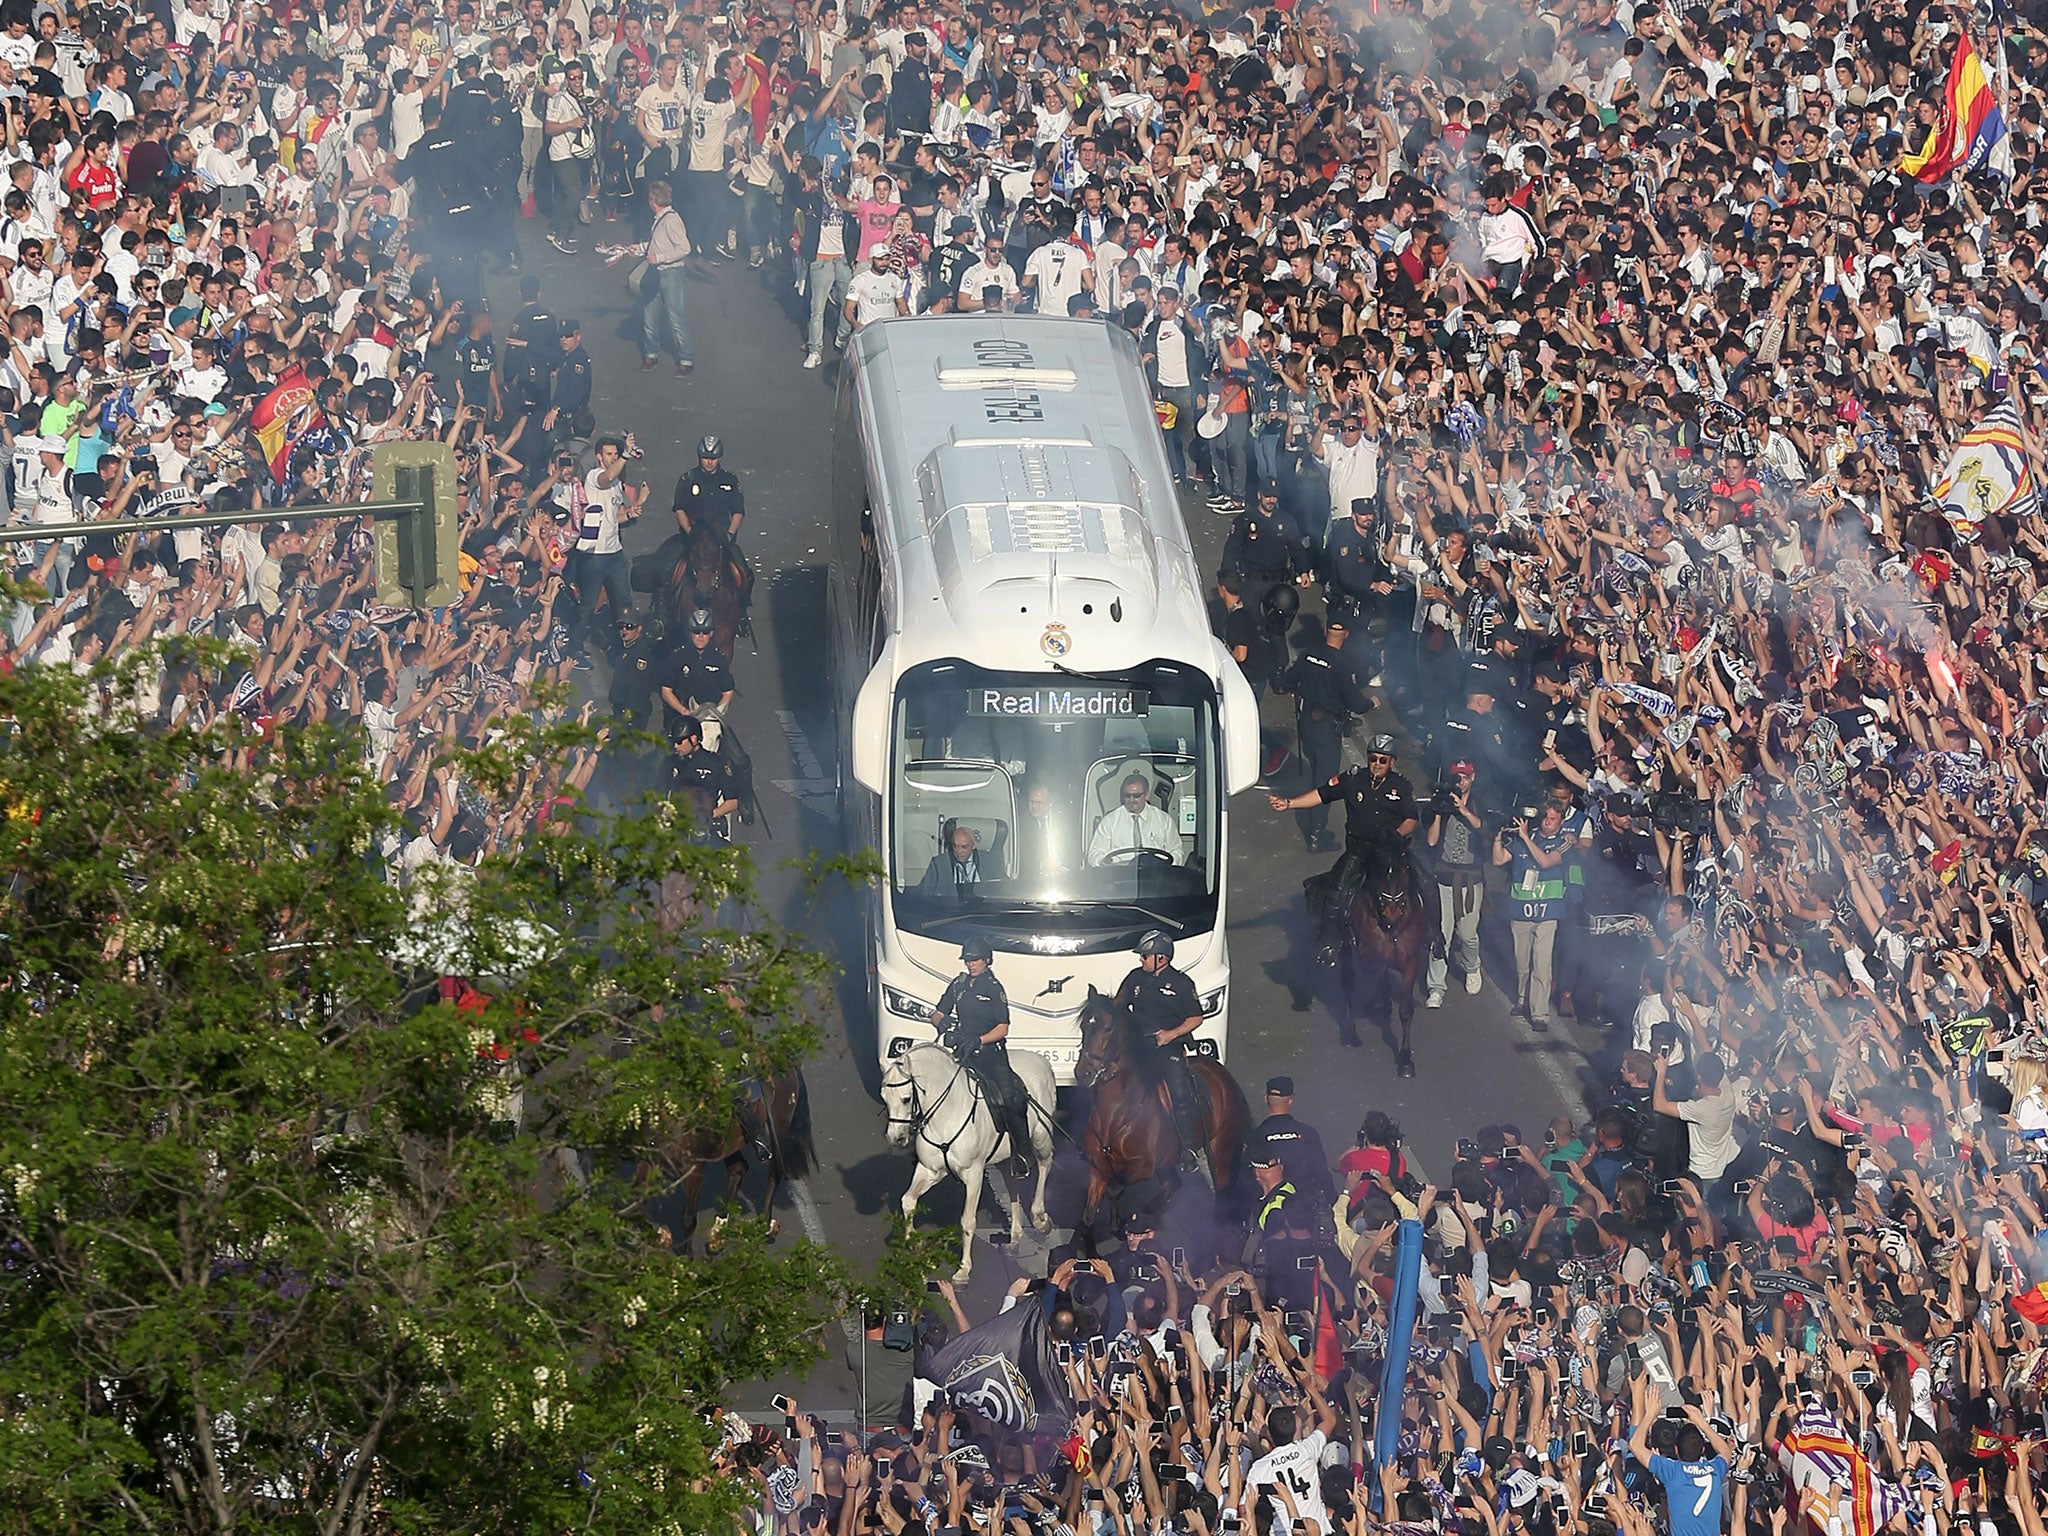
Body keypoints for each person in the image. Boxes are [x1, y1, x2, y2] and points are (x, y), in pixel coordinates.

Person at [1269, 734, 1418, 967]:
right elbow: (1321, 795)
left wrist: (1396, 837)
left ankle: (1434, 935)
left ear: (1392, 762)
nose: (1376, 764)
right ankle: (1328, 942)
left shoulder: (1401, 786)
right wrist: (1289, 803)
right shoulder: (1353, 780)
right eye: (1373, 759)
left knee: (1425, 883)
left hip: (1388, 852)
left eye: (1382, 760)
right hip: (1359, 851)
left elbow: (1411, 819)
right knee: (1337, 891)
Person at [1277, 606, 1373, 852]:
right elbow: (1356, 703)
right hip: (1327, 727)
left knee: (1315, 769)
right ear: (1347, 634)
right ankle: (1317, 834)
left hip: (1307, 722)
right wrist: (1372, 702)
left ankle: (1314, 819)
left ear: (1326, 630)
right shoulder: (1342, 664)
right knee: (1326, 781)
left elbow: (1288, 681)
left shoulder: (1308, 655)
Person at [1113, 930, 1207, 1175]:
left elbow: (1196, 1017)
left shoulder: (1182, 984)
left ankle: (1189, 1148)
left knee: (1179, 1091)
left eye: (1145, 956)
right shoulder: (1135, 978)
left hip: (1167, 1045)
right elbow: (1119, 1007)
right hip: (1137, 1045)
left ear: (1161, 958)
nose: (1141, 960)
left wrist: (1170, 1034)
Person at [930, 938, 1028, 1154]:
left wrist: (980, 1039)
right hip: (963, 1052)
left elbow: (1003, 1028)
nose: (971, 964)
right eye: (968, 960)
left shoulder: (994, 988)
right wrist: (943, 1023)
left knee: (1009, 1098)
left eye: (975, 960)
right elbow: (937, 1013)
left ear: (986, 961)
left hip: (991, 1054)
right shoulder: (958, 985)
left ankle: (1022, 1153)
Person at [1493, 801, 1569, 1032]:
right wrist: (1498, 835)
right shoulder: (1523, 837)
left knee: (1542, 965)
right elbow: (1498, 860)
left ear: (1561, 822)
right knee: (1522, 961)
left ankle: (1540, 1014)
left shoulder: (1564, 843)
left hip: (1548, 913)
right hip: (1521, 910)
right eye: (1545, 817)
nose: (1547, 821)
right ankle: (1521, 998)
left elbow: (1545, 862)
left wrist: (1526, 838)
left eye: (1553, 819)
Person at [1421, 758, 1487, 1007]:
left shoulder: (1481, 803)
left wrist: (1464, 810)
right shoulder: (1440, 802)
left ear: (1473, 778)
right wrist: (1438, 813)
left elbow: (1485, 829)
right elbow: (1430, 841)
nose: (1461, 781)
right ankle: (1436, 987)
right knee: (1441, 936)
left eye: (1465, 777)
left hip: (1471, 879)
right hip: (1444, 879)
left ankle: (1472, 966)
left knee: (1468, 935)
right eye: (1457, 777)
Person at [1244, 1076, 1334, 1218]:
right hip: (1304, 1211)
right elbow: (1321, 1174)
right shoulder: (1308, 1133)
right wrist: (1334, 1204)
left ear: (1266, 1099)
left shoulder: (1255, 1136)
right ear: (1290, 1101)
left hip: (1269, 1213)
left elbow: (1246, 1178)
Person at [638, 179, 695, 376]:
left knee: (675, 316)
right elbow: (658, 244)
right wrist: (637, 249)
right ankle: (651, 353)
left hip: (671, 273)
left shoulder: (671, 220)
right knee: (650, 315)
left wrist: (660, 258)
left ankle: (686, 358)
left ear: (653, 200)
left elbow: (684, 248)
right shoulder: (660, 218)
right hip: (657, 272)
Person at [658, 607, 734, 739]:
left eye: (705, 632)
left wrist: (717, 712)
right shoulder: (676, 657)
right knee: (660, 756)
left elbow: (728, 692)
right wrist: (684, 711)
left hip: (710, 719)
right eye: (696, 631)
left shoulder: (719, 660)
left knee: (738, 757)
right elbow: (666, 691)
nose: (700, 636)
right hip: (681, 719)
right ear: (690, 632)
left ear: (711, 633)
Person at [1086, 771, 1179, 866]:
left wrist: (1167, 868)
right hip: (1121, 875)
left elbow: (1176, 851)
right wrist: (1103, 861)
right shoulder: (1110, 821)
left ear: (1147, 795)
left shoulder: (1164, 820)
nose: (1131, 800)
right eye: (1127, 796)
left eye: (1136, 796)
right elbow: (1094, 853)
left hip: (1156, 874)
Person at [665, 713, 738, 836]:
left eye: (679, 741)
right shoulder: (670, 762)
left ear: (693, 739)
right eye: (674, 742)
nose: (675, 746)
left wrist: (709, 815)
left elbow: (732, 801)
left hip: (707, 826)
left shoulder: (717, 763)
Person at [918, 821, 990, 896]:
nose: (959, 851)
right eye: (955, 846)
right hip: (947, 906)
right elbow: (924, 893)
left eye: (964, 847)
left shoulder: (990, 862)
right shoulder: (938, 864)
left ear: (974, 845)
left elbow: (998, 889)